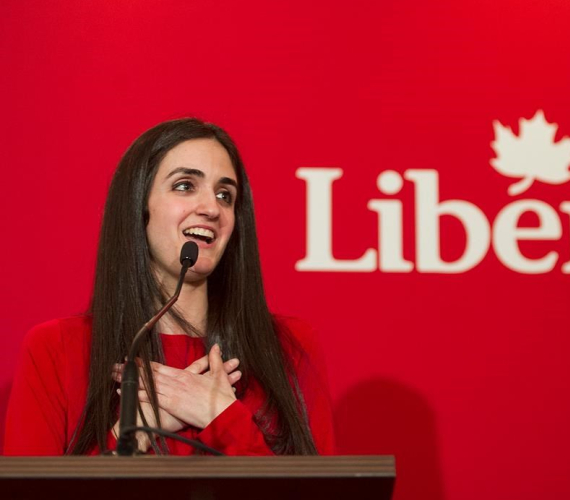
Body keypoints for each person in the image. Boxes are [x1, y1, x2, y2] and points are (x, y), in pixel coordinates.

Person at [3, 118, 335, 456]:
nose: (211, 209)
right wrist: (136, 430)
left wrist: (221, 416)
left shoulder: (289, 348)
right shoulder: (57, 350)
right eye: (185, 185)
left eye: (225, 195)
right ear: (139, 207)